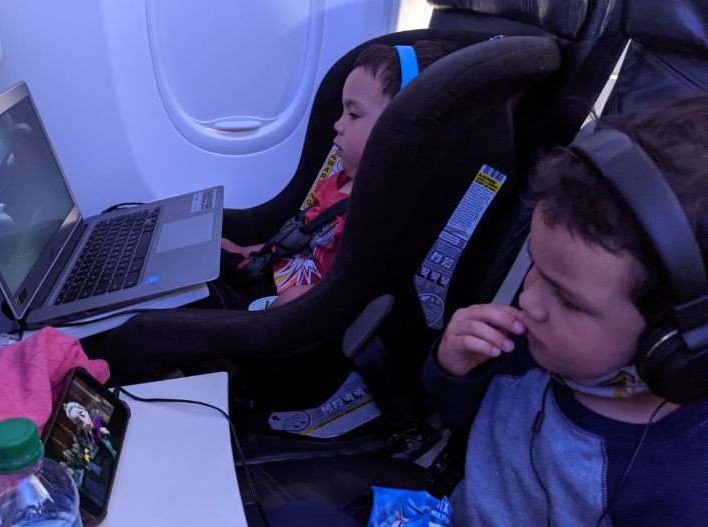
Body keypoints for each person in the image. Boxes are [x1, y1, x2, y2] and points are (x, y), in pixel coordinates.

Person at [82, 40, 456, 384]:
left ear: (400, 127)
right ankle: (85, 303)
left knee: (146, 327)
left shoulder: (380, 211)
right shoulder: (339, 177)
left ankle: (83, 367)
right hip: (263, 279)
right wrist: (247, 253)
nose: (337, 125)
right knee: (160, 258)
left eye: (354, 115)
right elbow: (300, 234)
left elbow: (342, 290)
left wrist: (289, 303)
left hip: (274, 314)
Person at [422, 96, 708, 525]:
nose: (529, 300)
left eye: (568, 300)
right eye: (534, 265)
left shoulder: (676, 488)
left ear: (669, 339)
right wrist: (454, 369)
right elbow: (468, 426)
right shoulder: (529, 346)